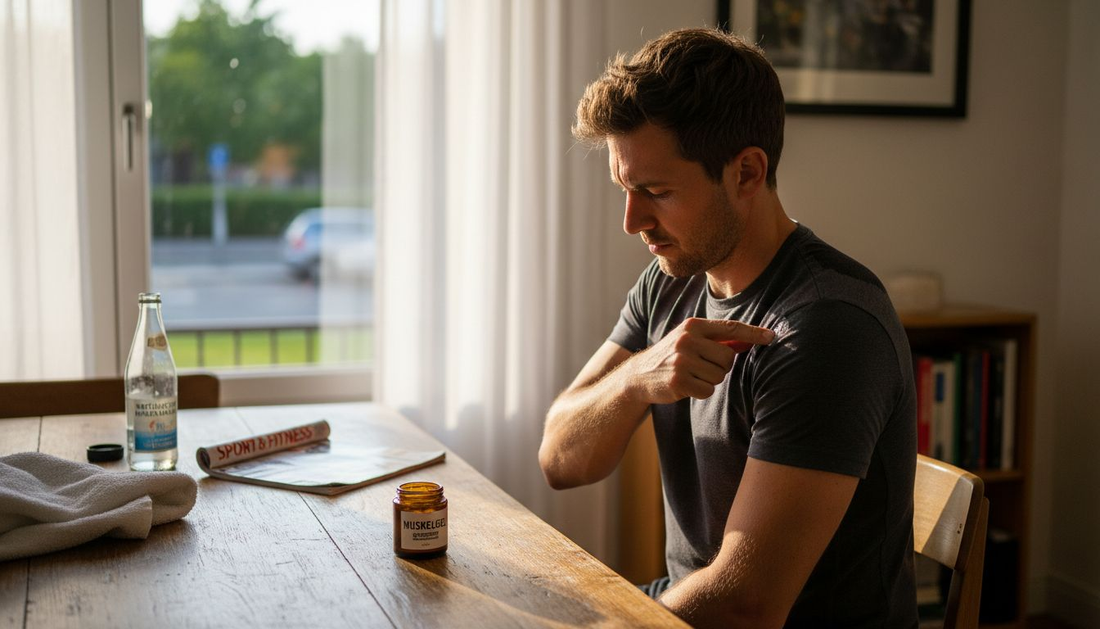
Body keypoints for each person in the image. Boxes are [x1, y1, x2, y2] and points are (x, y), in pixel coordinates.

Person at [538, 28, 917, 629]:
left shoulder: (826, 327)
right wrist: (638, 376)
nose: (633, 221)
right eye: (625, 189)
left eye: (656, 191)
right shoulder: (671, 280)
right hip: (686, 606)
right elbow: (561, 461)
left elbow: (748, 606)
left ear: (746, 172)